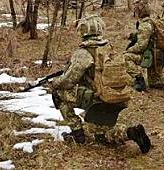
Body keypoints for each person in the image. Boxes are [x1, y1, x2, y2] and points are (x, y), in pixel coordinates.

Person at [48, 15, 151, 153]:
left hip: (99, 98)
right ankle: (131, 133)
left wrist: (54, 83)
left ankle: (78, 134)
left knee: (59, 94)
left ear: (83, 31)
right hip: (117, 96)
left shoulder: (84, 53)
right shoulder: (109, 46)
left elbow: (68, 81)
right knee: (101, 135)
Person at [125, 0, 164, 92]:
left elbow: (141, 46)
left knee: (127, 57)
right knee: (155, 82)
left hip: (154, 56)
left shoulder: (145, 24)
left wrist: (129, 50)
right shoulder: (153, 21)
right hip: (162, 54)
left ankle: (139, 81)